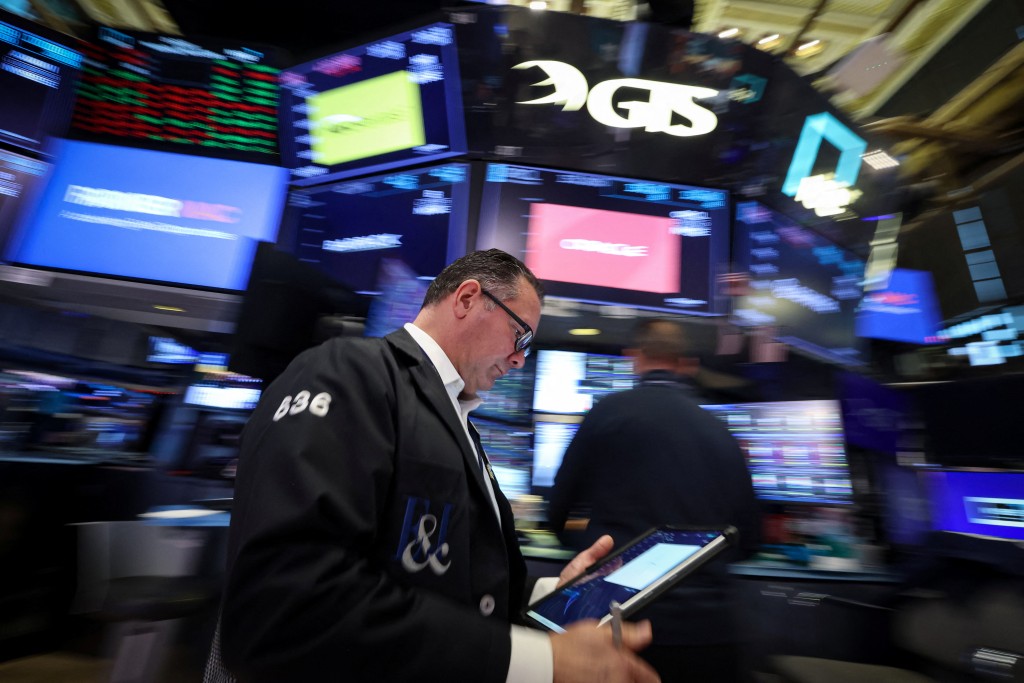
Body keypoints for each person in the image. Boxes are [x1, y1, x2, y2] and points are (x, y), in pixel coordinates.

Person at [219, 249, 659, 683]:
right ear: (467, 299)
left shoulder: (456, 419)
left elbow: (449, 581)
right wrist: (543, 662)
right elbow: (290, 605)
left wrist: (553, 594)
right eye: (520, 335)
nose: (520, 359)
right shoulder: (349, 372)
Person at [547, 318, 762, 683]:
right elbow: (751, 539)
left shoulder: (606, 414)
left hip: (619, 624)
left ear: (635, 357)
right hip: (709, 633)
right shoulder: (721, 433)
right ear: (686, 364)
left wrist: (594, 547)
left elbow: (557, 512)